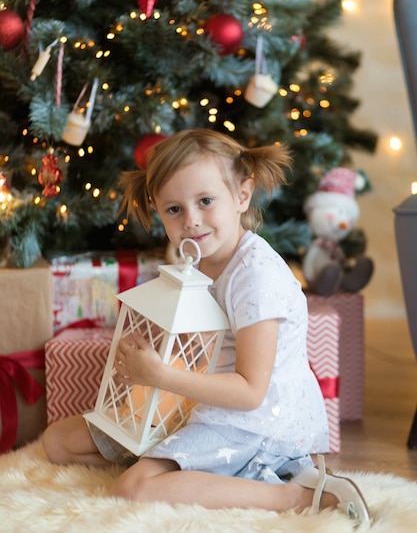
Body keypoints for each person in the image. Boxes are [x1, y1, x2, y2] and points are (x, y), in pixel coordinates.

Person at [42, 129, 370, 525]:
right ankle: (181, 463)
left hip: (254, 425)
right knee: (58, 443)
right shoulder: (195, 261)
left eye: (206, 201)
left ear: (242, 196)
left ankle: (294, 494)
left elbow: (251, 392)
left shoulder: (255, 279)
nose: (192, 222)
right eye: (174, 209)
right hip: (195, 401)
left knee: (133, 489)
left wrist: (160, 375)